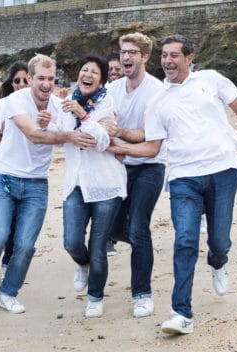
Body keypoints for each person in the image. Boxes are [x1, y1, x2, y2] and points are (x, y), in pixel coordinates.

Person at [108, 34, 237, 335]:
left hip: (223, 172)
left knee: (219, 240)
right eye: (164, 55)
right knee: (185, 240)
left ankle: (218, 261)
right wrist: (115, 147)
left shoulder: (210, 80)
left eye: (174, 55)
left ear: (189, 59)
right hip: (183, 177)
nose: (167, 61)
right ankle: (181, 313)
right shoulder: (158, 99)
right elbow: (151, 147)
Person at [0, 54, 97, 314]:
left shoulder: (58, 105)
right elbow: (34, 135)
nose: (46, 84)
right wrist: (59, 132)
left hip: (36, 184)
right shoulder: (14, 101)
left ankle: (8, 293)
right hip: (5, 179)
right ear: (31, 79)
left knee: (25, 245)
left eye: (51, 79)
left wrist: (56, 127)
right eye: (41, 79)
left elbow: (64, 138)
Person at [100, 32, 166, 318]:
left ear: (145, 57)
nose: (125, 57)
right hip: (118, 167)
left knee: (139, 226)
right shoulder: (113, 89)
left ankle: (142, 294)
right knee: (111, 230)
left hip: (150, 167)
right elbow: (101, 119)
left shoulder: (157, 91)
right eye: (123, 52)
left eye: (132, 53)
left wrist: (120, 136)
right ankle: (140, 243)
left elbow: (149, 140)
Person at [58, 55, 127, 318]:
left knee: (99, 244)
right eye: (84, 69)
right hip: (75, 182)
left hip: (106, 184)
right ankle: (83, 263)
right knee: (71, 242)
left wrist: (83, 115)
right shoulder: (68, 101)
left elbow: (99, 141)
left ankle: (95, 296)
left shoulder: (107, 103)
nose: (87, 74)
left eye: (94, 72)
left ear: (101, 80)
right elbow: (62, 136)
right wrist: (47, 123)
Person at [0, 61, 30, 280]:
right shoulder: (4, 104)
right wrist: (0, 133)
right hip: (2, 171)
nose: (21, 84)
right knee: (2, 224)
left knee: (19, 223)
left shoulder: (43, 104)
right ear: (11, 84)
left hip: (30, 175)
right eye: (17, 80)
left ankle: (8, 263)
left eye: (25, 79)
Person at [104, 52, 124, 256]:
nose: (114, 72)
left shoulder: (130, 89)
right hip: (111, 151)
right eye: (110, 69)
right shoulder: (103, 92)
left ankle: (117, 233)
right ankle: (109, 239)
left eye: (117, 68)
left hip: (132, 151)